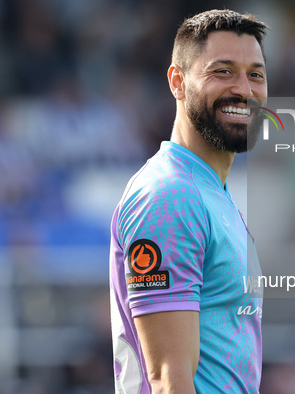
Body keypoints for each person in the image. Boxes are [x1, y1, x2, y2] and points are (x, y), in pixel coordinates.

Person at [109, 9, 267, 394]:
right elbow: (168, 382)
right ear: (177, 82)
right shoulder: (171, 197)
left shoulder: (210, 191)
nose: (244, 90)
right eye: (223, 71)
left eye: (256, 75)